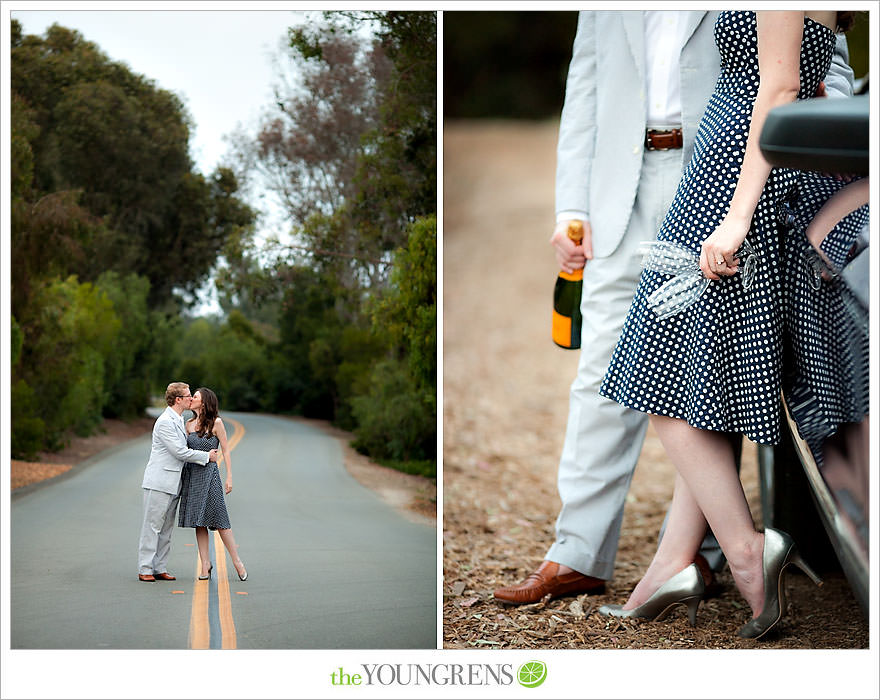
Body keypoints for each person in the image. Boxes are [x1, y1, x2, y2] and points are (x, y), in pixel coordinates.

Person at [493, 10, 854, 606]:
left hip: (728, 174)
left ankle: (701, 555)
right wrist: (568, 208)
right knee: (605, 372)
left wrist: (808, 145)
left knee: (718, 365)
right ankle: (578, 552)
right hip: (621, 187)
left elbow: (820, 62)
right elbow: (583, 89)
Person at [596, 10, 853, 639]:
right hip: (741, 162)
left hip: (739, 178)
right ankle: (670, 566)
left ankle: (746, 553)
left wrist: (737, 218)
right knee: (705, 379)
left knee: (655, 369)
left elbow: (779, 86)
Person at [138, 382, 218, 582]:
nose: (192, 398)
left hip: (174, 484)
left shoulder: (179, 420)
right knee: (152, 526)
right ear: (178, 400)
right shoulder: (165, 421)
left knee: (166, 529)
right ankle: (145, 568)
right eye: (188, 395)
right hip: (159, 482)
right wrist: (206, 456)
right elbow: (179, 452)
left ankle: (160, 567)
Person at [178, 387, 247, 581]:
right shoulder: (188, 424)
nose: (191, 399)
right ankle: (205, 565)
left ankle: (237, 562)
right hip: (192, 476)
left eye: (196, 397)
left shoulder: (216, 423)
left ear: (205, 401)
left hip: (210, 477)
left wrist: (229, 477)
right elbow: (184, 452)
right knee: (199, 524)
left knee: (221, 521)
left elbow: (225, 450)